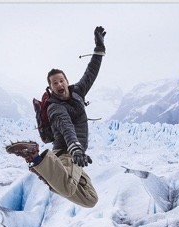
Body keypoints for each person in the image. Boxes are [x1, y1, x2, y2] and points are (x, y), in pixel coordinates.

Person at [6, 26, 106, 208]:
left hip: (76, 155)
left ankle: (47, 174)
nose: (59, 84)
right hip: (66, 154)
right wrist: (76, 149)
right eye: (54, 83)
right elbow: (66, 127)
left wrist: (99, 49)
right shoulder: (54, 107)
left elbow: (91, 73)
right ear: (50, 88)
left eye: (61, 80)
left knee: (91, 199)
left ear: (67, 82)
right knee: (67, 188)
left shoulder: (78, 92)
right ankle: (36, 157)